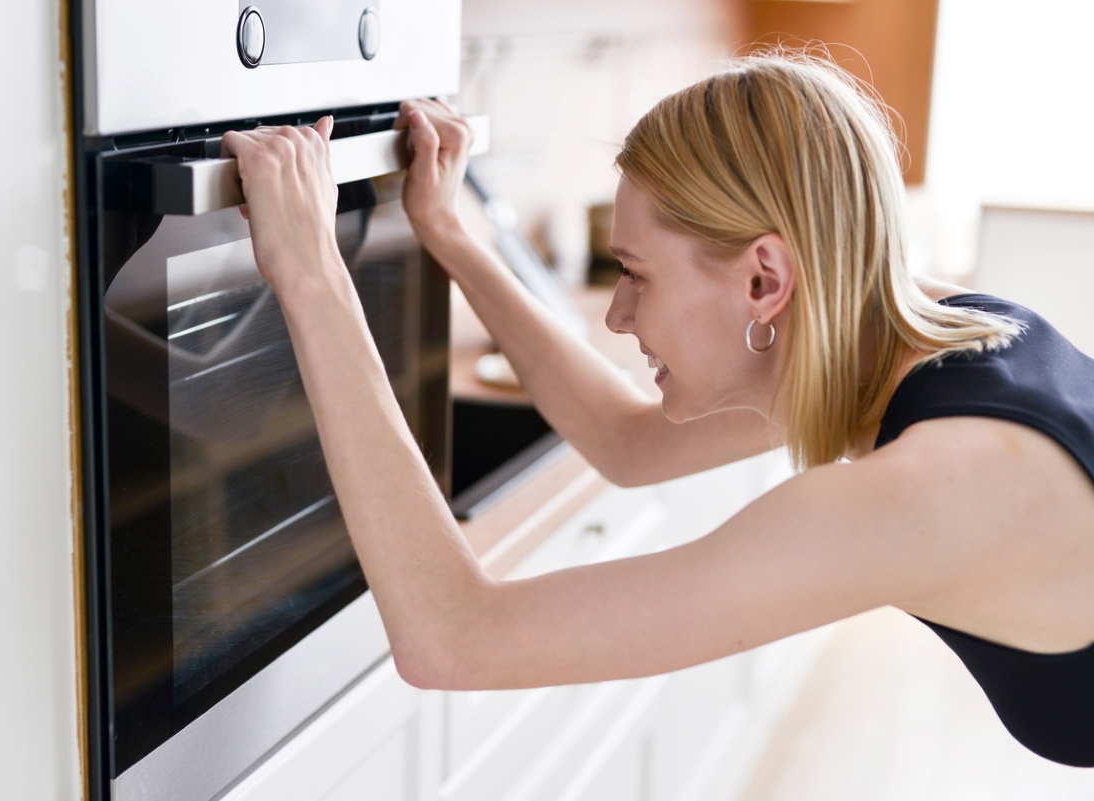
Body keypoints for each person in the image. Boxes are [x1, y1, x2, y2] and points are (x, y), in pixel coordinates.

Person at [221, 54, 1094, 767]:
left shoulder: (930, 489)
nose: (618, 314)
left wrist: (313, 277)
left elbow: (453, 638)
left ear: (764, 279)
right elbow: (626, 441)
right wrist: (449, 230)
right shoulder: (905, 325)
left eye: (636, 274)